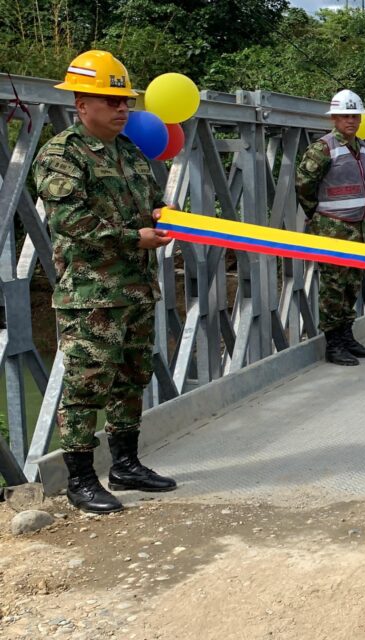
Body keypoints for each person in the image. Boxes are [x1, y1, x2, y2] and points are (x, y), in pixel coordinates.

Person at [34, 50, 177, 513]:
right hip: (92, 295)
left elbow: (152, 204)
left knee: (131, 379)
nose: (121, 109)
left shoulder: (130, 153)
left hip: (135, 290)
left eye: (125, 102)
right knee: (85, 387)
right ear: (81, 103)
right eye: (109, 101)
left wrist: (168, 221)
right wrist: (134, 238)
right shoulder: (61, 154)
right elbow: (71, 220)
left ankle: (125, 464)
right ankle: (80, 479)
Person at [296, 89, 365, 365]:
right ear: (334, 117)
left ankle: (347, 337)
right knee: (333, 286)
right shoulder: (323, 148)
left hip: (356, 226)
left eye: (355, 115)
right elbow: (303, 183)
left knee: (352, 284)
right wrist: (316, 213)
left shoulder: (363, 147)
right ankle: (333, 344)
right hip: (332, 227)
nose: (351, 121)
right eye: (345, 116)